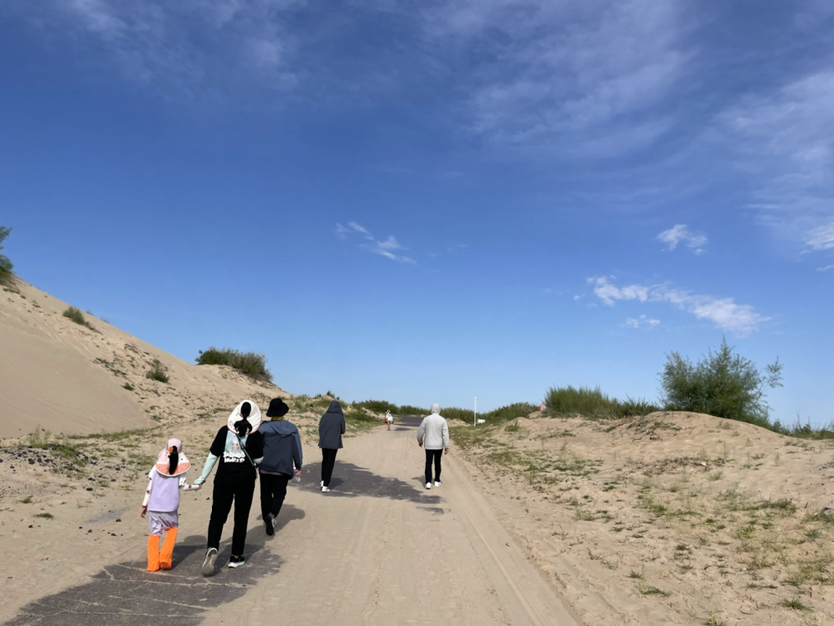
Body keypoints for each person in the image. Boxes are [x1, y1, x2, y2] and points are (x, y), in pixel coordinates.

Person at [194, 400, 264, 576]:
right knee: (241, 517)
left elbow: (213, 456)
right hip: (245, 480)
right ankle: (235, 556)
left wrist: (201, 478)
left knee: (217, 516)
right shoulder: (255, 435)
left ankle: (212, 547)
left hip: (223, 479)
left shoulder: (224, 431)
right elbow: (258, 460)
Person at [140, 438, 199, 572]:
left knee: (155, 533)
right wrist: (196, 486)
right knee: (173, 529)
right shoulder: (181, 469)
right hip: (170, 507)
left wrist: (144, 505)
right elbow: (183, 487)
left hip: (154, 506)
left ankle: (153, 565)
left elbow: (149, 488)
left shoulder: (156, 467)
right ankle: (165, 558)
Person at [258, 397, 302, 536]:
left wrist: (255, 462)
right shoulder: (292, 428)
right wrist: (298, 465)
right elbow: (297, 449)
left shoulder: (263, 428)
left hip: (265, 466)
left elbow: (257, 446)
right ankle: (272, 515)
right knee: (280, 493)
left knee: (265, 494)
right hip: (283, 468)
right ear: (283, 412)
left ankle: (266, 517)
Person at [417, 404, 450, 490]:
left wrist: (420, 440)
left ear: (431, 409)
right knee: (437, 462)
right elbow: (445, 434)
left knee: (428, 463)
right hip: (439, 446)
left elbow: (420, 431)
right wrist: (447, 446)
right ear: (439, 410)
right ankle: (437, 480)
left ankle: (428, 482)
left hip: (428, 445)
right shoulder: (443, 420)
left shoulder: (426, 419)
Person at [318, 400, 345, 493]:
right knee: (330, 463)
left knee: (324, 461)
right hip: (334, 443)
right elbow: (343, 430)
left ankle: (323, 480)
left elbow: (320, 428)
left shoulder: (325, 416)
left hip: (324, 442)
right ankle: (325, 485)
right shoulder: (340, 417)